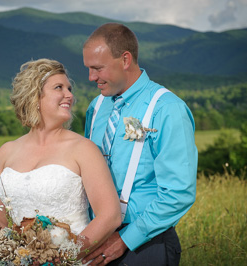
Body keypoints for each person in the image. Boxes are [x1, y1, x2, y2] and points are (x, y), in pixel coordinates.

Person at [82, 23, 198, 265]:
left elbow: (179, 192)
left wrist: (126, 239)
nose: (91, 77)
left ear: (125, 60)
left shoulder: (167, 109)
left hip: (145, 245)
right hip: (95, 241)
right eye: (89, 69)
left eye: (97, 68)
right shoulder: (96, 107)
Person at [0, 58, 122, 262]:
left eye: (69, 88)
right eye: (59, 87)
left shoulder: (84, 149)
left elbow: (110, 215)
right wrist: (10, 256)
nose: (69, 95)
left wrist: (64, 257)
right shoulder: (6, 152)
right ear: (34, 96)